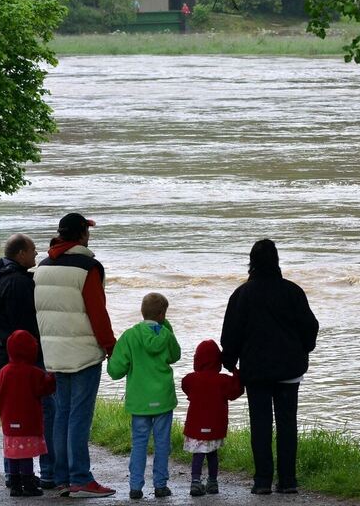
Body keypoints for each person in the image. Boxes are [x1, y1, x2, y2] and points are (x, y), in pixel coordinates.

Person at [220, 239, 319, 495]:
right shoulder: (293, 292)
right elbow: (310, 327)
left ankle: (262, 480)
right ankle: (288, 481)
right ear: (276, 261)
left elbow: (230, 334)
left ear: (251, 263)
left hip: (256, 372)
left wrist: (229, 362)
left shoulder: (242, 294)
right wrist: (303, 351)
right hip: (289, 369)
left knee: (260, 424)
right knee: (287, 424)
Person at [33, 212, 117, 498]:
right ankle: (81, 477)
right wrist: (109, 345)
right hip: (83, 353)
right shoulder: (88, 267)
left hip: (53, 352)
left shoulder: (42, 267)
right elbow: (97, 311)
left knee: (61, 415)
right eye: (87, 231)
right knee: (79, 416)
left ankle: (62, 478)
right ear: (82, 235)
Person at [0, 233, 56, 488]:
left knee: (12, 415)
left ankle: (13, 473)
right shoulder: (19, 283)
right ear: (20, 254)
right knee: (42, 411)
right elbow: (26, 325)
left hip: (5, 355)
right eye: (33, 251)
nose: (36, 256)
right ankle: (44, 472)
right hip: (22, 358)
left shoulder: (0, 279)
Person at [107, 292, 181, 500]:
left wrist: (110, 358)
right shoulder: (165, 333)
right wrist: (167, 329)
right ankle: (160, 485)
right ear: (162, 314)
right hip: (163, 398)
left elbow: (116, 372)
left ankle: (135, 487)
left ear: (142, 312)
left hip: (139, 400)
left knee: (139, 442)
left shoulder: (130, 336)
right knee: (162, 443)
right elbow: (175, 356)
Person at [0, 330, 56, 498]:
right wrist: (52, 375)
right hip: (28, 423)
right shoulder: (34, 373)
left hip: (9, 423)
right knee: (25, 455)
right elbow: (46, 388)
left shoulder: (4, 372)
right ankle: (28, 483)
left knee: (14, 454)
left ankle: (15, 485)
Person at [181, 339, 243, 496]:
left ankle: (195, 481)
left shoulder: (191, 379)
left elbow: (185, 386)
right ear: (218, 360)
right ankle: (213, 482)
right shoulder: (223, 381)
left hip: (196, 426)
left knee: (198, 453)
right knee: (212, 453)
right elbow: (236, 390)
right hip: (216, 426)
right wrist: (236, 371)